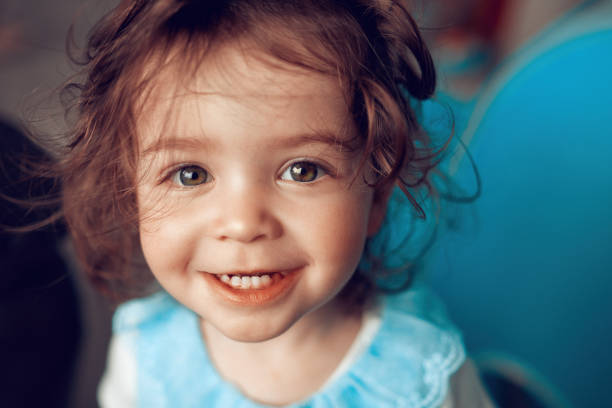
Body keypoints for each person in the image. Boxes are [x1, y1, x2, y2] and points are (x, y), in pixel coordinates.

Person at [48, 1, 493, 406]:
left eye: (303, 170)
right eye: (191, 174)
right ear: (131, 193)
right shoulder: (145, 352)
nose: (244, 224)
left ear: (377, 194)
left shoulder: (420, 378)